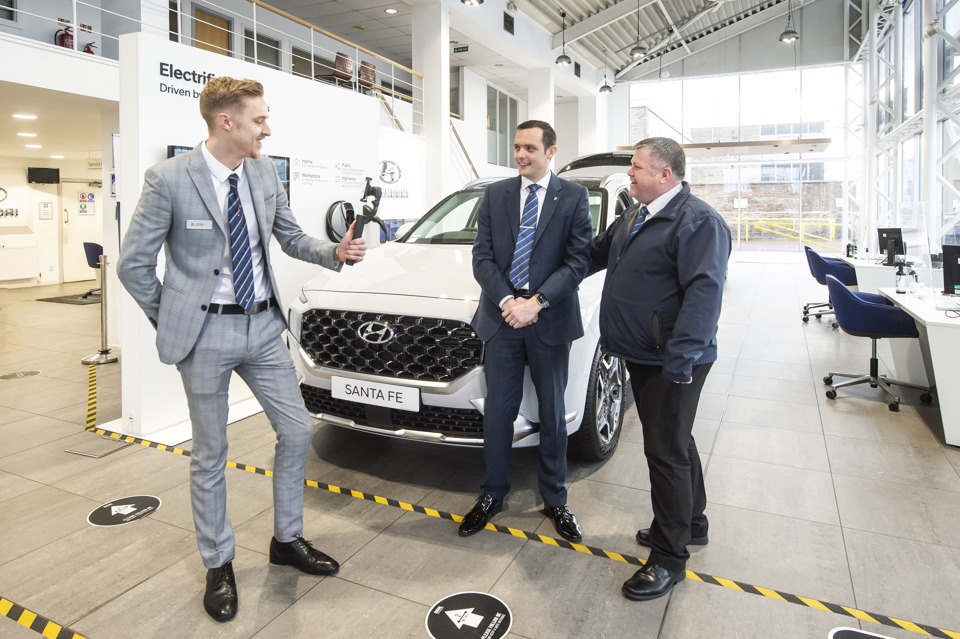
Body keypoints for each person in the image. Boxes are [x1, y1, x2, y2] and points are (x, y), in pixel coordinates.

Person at [116, 76, 367, 623]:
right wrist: (178, 323)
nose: (267, 129)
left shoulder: (262, 173)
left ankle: (288, 539)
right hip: (204, 336)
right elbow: (133, 265)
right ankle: (219, 562)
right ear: (225, 121)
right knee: (210, 454)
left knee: (297, 429)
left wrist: (335, 251)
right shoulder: (168, 179)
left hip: (261, 329)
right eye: (259, 119)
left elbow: (291, 238)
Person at [589, 137, 731, 601]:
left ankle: (670, 558)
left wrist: (681, 360)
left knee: (664, 452)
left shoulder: (697, 222)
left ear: (665, 174)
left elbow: (704, 295)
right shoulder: (636, 213)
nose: (630, 174)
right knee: (676, 439)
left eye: (636, 168)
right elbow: (595, 252)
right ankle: (693, 522)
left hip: (673, 359)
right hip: (645, 353)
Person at [459, 120, 592, 542]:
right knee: (498, 411)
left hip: (549, 318)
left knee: (553, 413)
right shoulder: (496, 194)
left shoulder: (573, 196)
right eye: (517, 147)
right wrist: (508, 302)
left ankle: (555, 498)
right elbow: (482, 258)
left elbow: (577, 261)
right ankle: (492, 492)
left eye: (530, 148)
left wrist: (536, 303)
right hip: (502, 319)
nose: (520, 155)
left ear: (551, 152)